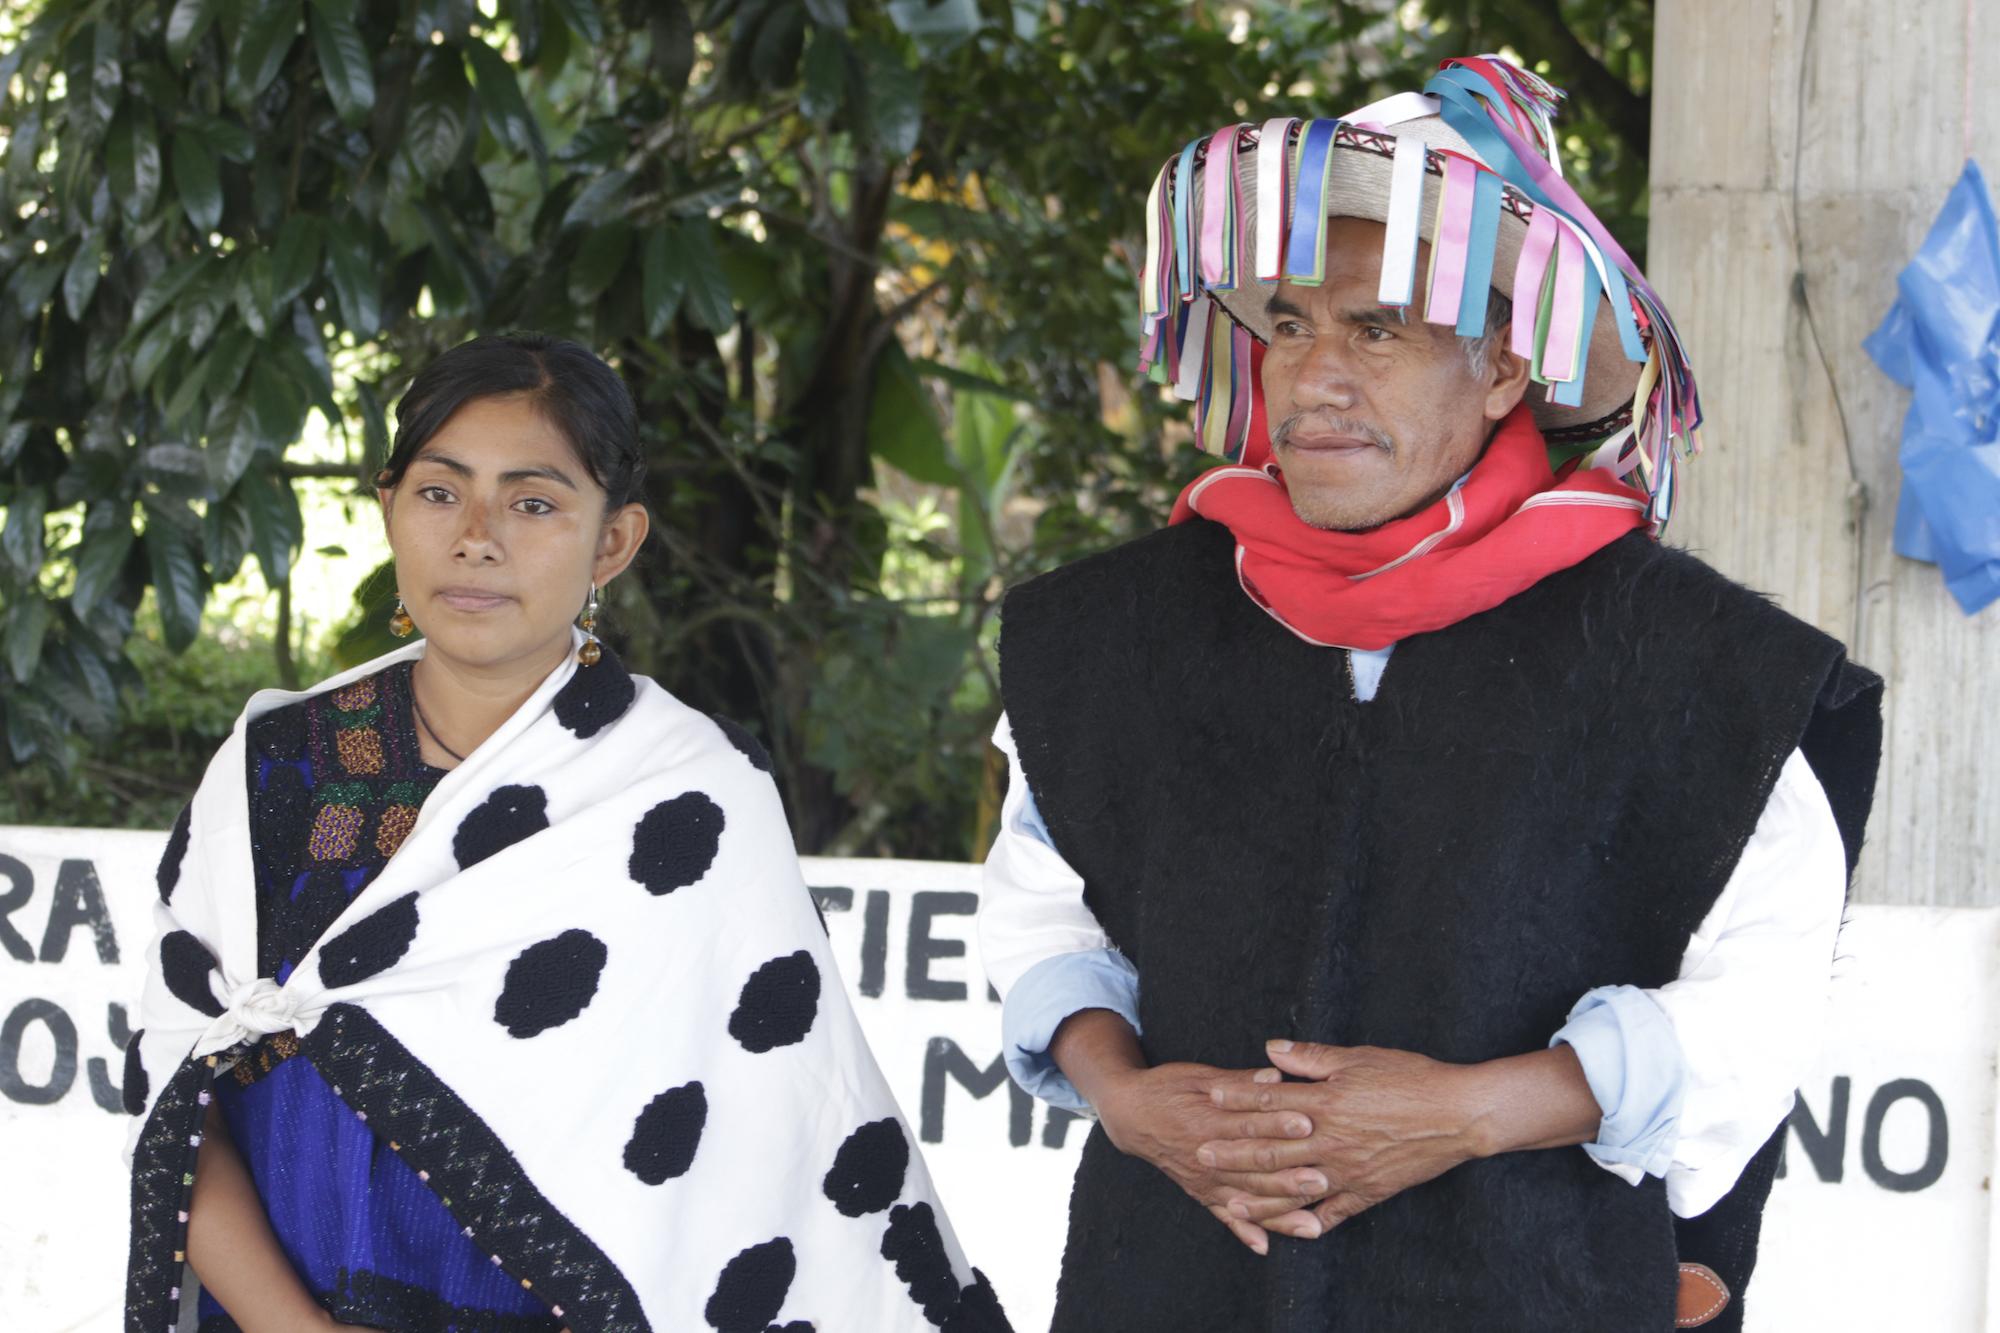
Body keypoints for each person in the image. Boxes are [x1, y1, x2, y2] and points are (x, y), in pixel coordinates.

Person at [979, 57, 1882, 1332]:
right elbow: (1039, 910)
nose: (1316, 378)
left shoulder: (1696, 664)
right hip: (1163, 1286)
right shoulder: (1111, 634)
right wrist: (1123, 1094)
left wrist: (1467, 1113)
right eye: (1290, 325)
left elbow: (1756, 1005)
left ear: (1506, 369)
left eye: (1378, 330)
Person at [124, 334, 1007, 1333]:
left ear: (614, 542)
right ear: (388, 508)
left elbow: (772, 1143)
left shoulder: (688, 798)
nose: (478, 536)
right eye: (438, 492)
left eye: (534, 502)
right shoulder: (277, 766)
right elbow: (173, 1085)